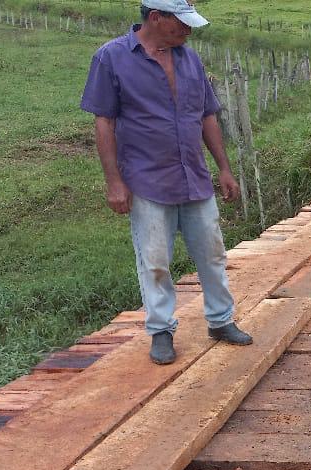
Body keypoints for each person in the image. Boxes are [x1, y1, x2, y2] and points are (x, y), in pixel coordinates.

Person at [80, 0, 253, 365]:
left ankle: (221, 321)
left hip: (193, 174)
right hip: (146, 178)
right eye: (182, 23)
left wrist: (223, 167)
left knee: (212, 252)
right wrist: (114, 182)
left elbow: (207, 115)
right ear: (156, 18)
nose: (188, 31)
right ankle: (161, 330)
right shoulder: (111, 58)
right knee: (155, 259)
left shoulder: (189, 59)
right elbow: (104, 123)